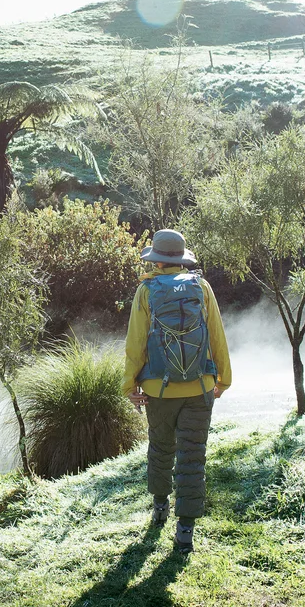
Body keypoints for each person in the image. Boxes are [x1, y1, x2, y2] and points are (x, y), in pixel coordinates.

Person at [123, 229, 231, 553]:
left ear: (155, 260)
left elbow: (135, 345)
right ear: (182, 260)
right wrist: (223, 379)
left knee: (160, 449)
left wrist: (130, 386)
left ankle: (160, 507)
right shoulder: (202, 287)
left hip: (157, 388)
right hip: (200, 388)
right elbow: (217, 337)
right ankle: (185, 532)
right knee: (192, 457)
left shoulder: (145, 291)